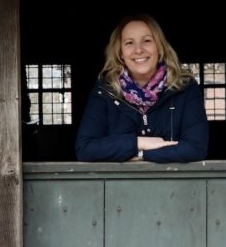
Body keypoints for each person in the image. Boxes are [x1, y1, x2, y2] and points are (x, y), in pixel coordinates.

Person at [75, 14, 208, 163]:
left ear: (159, 47)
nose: (138, 50)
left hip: (174, 185)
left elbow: (196, 148)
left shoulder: (185, 87)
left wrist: (141, 155)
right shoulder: (105, 90)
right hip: (120, 186)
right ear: (120, 53)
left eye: (147, 41)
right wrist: (140, 143)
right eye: (129, 43)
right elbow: (85, 149)